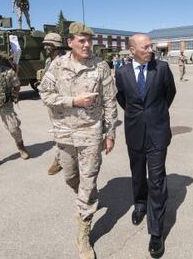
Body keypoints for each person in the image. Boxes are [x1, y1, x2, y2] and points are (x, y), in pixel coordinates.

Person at [38, 22, 117, 259]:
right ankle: (86, 197)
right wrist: (74, 101)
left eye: (89, 40)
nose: (86, 44)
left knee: (88, 181)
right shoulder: (57, 65)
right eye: (81, 40)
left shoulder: (100, 67)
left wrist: (110, 133)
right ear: (70, 42)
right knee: (71, 176)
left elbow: (110, 102)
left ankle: (83, 233)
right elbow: (45, 94)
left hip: (91, 133)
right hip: (63, 133)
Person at [115, 34, 176, 258]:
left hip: (158, 132)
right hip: (134, 131)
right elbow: (123, 99)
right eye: (145, 47)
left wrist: (155, 114)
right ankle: (140, 203)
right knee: (138, 174)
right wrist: (138, 116)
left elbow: (170, 94)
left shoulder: (161, 68)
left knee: (157, 180)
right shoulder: (121, 72)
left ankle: (156, 232)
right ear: (132, 50)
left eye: (151, 46)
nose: (151, 49)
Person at [42, 32, 66, 175]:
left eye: (48, 44)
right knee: (60, 131)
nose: (45, 47)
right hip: (53, 102)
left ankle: (59, 160)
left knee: (61, 132)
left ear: (55, 45)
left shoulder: (64, 60)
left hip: (63, 101)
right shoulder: (48, 61)